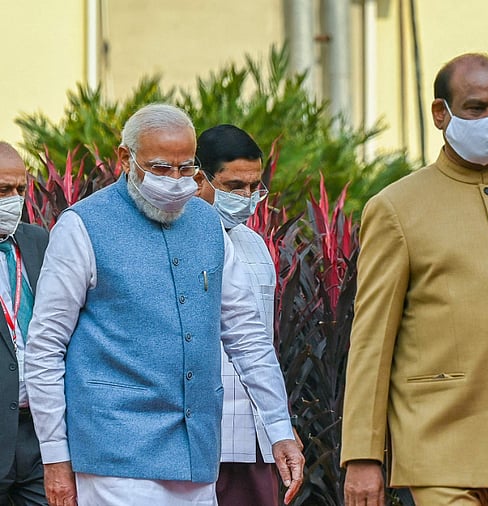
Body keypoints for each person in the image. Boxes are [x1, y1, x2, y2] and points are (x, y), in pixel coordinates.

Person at [24, 104, 304, 506]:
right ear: (125, 158)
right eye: (159, 168)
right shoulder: (83, 225)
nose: (174, 181)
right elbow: (46, 346)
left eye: (184, 168)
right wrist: (54, 457)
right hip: (112, 457)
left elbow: (247, 337)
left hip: (198, 453)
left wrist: (279, 426)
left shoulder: (209, 226)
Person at [341, 53, 488, 506]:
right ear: (440, 114)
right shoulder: (396, 207)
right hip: (439, 444)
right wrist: (362, 457)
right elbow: (371, 340)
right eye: (476, 108)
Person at [193, 124, 283, 506]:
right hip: (201, 438)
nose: (247, 198)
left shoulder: (255, 244)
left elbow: (261, 341)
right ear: (200, 179)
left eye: (254, 187)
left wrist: (280, 426)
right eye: (233, 187)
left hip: (257, 434)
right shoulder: (176, 240)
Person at [0, 142, 49, 506]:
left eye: (20, 189)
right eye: (3, 190)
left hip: (37, 432)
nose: (14, 200)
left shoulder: (38, 242)